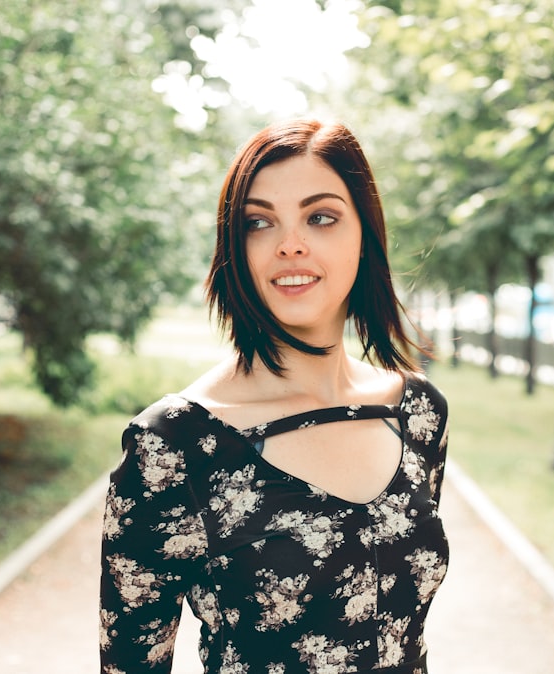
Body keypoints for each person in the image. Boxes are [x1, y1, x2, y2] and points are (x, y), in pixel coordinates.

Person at [99, 118, 450, 674]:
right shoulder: (175, 447)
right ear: (235, 250)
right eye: (259, 223)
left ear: (365, 235)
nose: (290, 244)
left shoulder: (418, 413)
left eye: (321, 217)